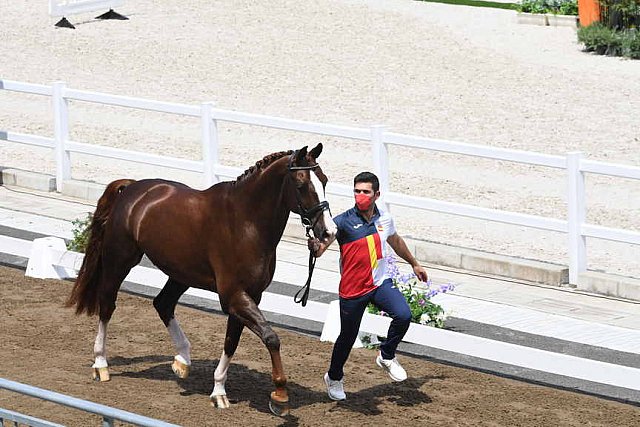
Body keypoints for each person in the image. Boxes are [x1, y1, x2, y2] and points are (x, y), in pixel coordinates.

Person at [308, 171, 429, 401]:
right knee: (347, 337)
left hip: (380, 282)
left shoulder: (385, 219)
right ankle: (333, 377)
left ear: (376, 194)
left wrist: (414, 263)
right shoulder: (341, 222)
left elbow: (395, 241)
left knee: (403, 315)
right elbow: (321, 249)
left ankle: (386, 355)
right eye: (357, 191)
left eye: (365, 192)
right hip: (353, 289)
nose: (360, 196)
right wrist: (315, 246)